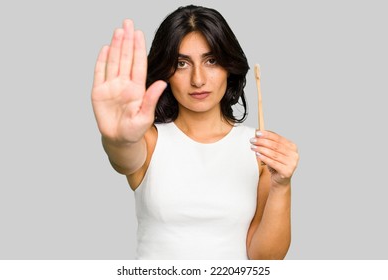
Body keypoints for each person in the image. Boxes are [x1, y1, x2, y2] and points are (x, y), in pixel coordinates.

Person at [91, 5, 299, 260]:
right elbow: (124, 154)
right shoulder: (149, 140)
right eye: (181, 64)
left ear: (229, 66)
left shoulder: (260, 149)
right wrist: (117, 138)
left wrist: (282, 185)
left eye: (211, 61)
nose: (198, 79)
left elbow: (264, 260)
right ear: (166, 72)